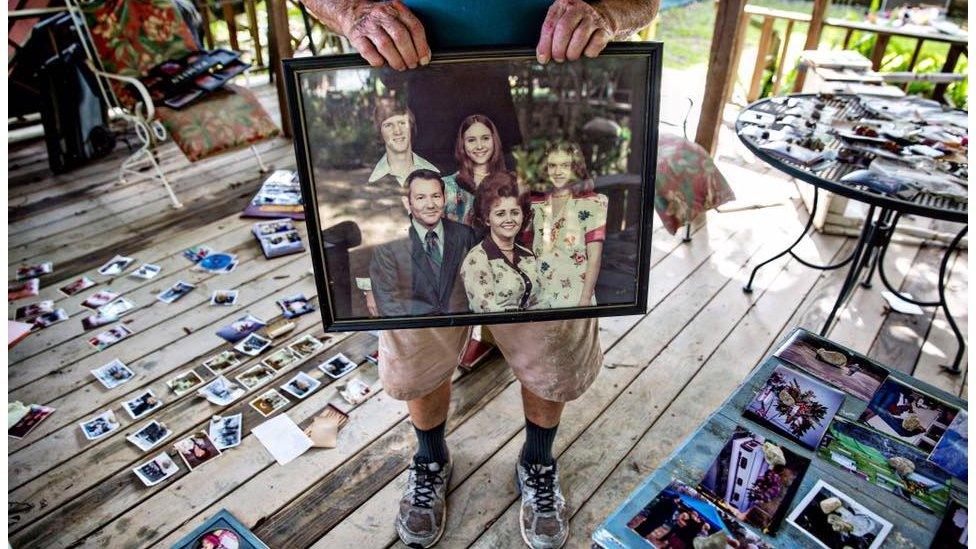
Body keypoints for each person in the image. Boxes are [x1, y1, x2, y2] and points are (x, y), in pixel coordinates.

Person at [301, 1, 658, 547]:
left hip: (527, 138)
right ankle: (430, 458)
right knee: (419, 331)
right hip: (421, 150)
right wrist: (352, 11)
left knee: (551, 329)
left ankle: (537, 462)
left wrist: (608, 11)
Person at [358, 98, 441, 315]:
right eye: (388, 125)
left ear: (411, 127)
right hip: (391, 282)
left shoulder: (433, 174)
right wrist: (369, 290)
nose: (397, 131)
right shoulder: (373, 182)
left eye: (402, 123)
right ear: (380, 132)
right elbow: (366, 241)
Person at [370, 169, 479, 316]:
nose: (430, 205)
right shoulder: (389, 244)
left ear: (445, 198)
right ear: (407, 203)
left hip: (460, 330)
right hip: (415, 333)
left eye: (436, 196)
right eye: (420, 198)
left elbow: (477, 287)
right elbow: (388, 301)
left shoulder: (464, 235)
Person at [530, 141, 608, 308]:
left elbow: (594, 258)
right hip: (540, 296)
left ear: (575, 168)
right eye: (552, 165)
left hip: (575, 296)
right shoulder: (536, 204)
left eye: (565, 165)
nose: (558, 172)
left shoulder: (592, 203)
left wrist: (585, 300)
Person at [460, 172, 541, 312]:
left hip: (533, 331)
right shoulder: (477, 259)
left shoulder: (527, 255)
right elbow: (487, 312)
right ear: (486, 219)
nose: (509, 219)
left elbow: (539, 303)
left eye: (515, 212)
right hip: (495, 333)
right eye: (500, 213)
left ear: (523, 215)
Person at [443, 114, 508, 226]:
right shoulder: (447, 185)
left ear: (494, 140)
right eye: (471, 140)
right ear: (462, 144)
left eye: (485, 138)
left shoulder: (510, 183)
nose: (479, 146)